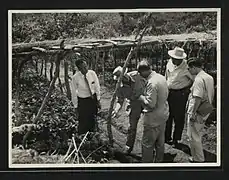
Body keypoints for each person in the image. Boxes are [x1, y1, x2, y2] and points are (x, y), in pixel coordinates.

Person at [137, 60, 169, 163]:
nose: (141, 76)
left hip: (153, 118)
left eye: (140, 73)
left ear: (143, 71)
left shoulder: (151, 83)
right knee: (160, 142)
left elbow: (151, 104)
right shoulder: (161, 77)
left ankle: (146, 165)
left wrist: (141, 97)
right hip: (163, 115)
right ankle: (159, 162)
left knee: (147, 144)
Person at [112, 66, 147, 154]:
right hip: (133, 105)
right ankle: (129, 147)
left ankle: (149, 146)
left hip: (146, 101)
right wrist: (116, 110)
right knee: (132, 128)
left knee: (149, 125)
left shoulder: (137, 75)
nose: (122, 80)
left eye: (122, 78)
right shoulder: (119, 87)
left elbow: (148, 82)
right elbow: (120, 100)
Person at [186, 58, 214, 162]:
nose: (189, 71)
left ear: (194, 67)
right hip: (206, 109)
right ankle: (196, 156)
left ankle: (198, 159)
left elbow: (197, 97)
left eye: (189, 68)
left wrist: (193, 113)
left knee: (194, 136)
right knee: (198, 133)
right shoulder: (209, 77)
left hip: (197, 110)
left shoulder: (198, 79)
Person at [164, 47, 193, 146]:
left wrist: (187, 90)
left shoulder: (187, 67)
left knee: (178, 117)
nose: (174, 60)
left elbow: (194, 80)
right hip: (169, 92)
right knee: (168, 115)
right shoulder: (169, 63)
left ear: (181, 59)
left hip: (180, 94)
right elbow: (166, 75)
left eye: (176, 59)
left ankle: (176, 139)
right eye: (173, 58)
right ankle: (166, 137)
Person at [70, 59, 101, 135]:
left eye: (86, 66)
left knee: (93, 118)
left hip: (92, 99)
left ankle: (92, 136)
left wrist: (98, 100)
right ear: (79, 69)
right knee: (83, 120)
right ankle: (82, 137)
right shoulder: (75, 78)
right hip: (83, 101)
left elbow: (97, 87)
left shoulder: (92, 73)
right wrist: (75, 106)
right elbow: (73, 93)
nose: (85, 69)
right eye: (82, 68)